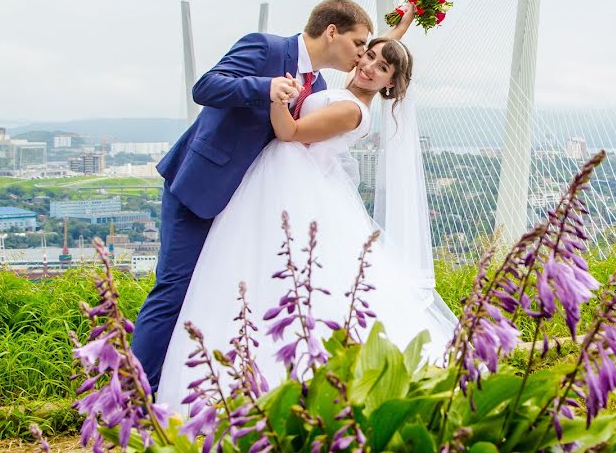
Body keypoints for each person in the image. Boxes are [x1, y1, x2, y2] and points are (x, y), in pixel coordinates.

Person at [156, 25, 456, 410]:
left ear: (388, 86)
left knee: (279, 278)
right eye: (367, 54)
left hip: (289, 186)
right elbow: (370, 49)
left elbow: (289, 132)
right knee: (262, 274)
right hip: (280, 183)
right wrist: (401, 24)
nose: (367, 64)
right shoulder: (344, 89)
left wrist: (276, 96)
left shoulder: (351, 110)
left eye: (381, 69)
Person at [132, 0, 383, 394]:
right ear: (332, 32)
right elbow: (206, 86)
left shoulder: (316, 85)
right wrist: (265, 87)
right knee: (174, 290)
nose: (360, 56)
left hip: (246, 205)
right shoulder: (266, 47)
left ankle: (184, 391)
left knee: (216, 296)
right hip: (202, 186)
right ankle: (134, 396)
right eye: (358, 43)